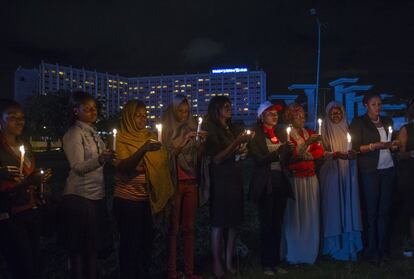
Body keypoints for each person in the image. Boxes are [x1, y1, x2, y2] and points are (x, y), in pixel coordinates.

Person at [113, 100, 174, 279]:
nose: (142, 119)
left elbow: (160, 163)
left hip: (146, 201)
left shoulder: (150, 136)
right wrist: (143, 151)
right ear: (129, 117)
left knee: (146, 246)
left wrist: (148, 161)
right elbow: (123, 167)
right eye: (138, 115)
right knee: (130, 247)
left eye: (145, 115)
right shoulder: (121, 138)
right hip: (127, 202)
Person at [59, 91, 115, 279]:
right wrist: (100, 159)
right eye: (87, 108)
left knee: (92, 248)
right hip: (80, 196)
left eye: (94, 108)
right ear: (76, 111)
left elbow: (98, 162)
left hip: (96, 195)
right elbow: (77, 167)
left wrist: (107, 157)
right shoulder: (74, 133)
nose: (93, 112)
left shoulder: (93, 132)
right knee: (78, 249)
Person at [0, 99, 51, 279]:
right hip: (10, 216)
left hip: (31, 210)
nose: (20, 121)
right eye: (13, 117)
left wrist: (40, 183)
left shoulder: (25, 146)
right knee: (22, 267)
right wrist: (26, 182)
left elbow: (28, 175)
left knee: (36, 262)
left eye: (21, 117)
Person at [204, 96, 253, 278]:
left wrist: (242, 150)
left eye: (230, 106)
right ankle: (217, 263)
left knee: (233, 222)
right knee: (219, 222)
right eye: (225, 106)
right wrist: (236, 143)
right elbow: (216, 158)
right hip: (220, 180)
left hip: (234, 178)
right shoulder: (212, 131)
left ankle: (228, 260)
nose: (229, 109)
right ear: (216, 109)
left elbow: (233, 152)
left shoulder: (231, 128)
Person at [349, 93, 399, 262]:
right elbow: (355, 147)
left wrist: (395, 145)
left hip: (388, 170)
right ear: (366, 105)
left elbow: (393, 140)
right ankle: (370, 250)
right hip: (371, 171)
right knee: (371, 212)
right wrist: (373, 146)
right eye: (373, 104)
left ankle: (382, 249)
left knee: (384, 212)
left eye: (379, 104)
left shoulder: (387, 121)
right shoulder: (359, 122)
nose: (378, 107)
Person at [162, 95, 206, 279]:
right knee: (173, 228)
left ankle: (189, 271)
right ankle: (171, 271)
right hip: (175, 183)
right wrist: (185, 140)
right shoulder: (166, 130)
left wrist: (201, 143)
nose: (183, 114)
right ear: (173, 110)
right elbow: (168, 154)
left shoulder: (192, 127)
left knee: (189, 227)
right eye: (180, 110)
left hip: (191, 181)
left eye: (186, 111)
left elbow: (197, 157)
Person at [248, 101, 293, 275]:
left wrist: (287, 152)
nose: (274, 115)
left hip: (279, 181)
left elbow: (284, 161)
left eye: (275, 113)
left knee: (277, 223)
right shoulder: (256, 135)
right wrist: (278, 151)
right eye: (270, 113)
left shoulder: (280, 133)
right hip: (265, 184)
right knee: (266, 223)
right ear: (261, 117)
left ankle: (276, 261)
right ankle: (266, 264)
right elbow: (259, 160)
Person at [319, 101, 363, 261]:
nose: (335, 116)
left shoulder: (348, 127)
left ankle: (349, 243)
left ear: (343, 113)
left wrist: (352, 154)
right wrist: (335, 155)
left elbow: (354, 147)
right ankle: (334, 245)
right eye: (332, 113)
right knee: (334, 206)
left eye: (338, 113)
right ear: (327, 114)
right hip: (331, 171)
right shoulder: (324, 129)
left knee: (348, 204)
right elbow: (321, 151)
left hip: (347, 170)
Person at [281, 103, 324, 264]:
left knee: (310, 215)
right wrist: (306, 147)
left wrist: (307, 154)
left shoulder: (310, 132)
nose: (301, 118)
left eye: (303, 116)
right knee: (295, 217)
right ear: (290, 117)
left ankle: (309, 252)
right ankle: (294, 253)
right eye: (298, 116)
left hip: (311, 178)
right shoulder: (288, 135)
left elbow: (319, 150)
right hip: (295, 180)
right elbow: (292, 155)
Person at [397, 98, 414, 256]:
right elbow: (400, 155)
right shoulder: (406, 129)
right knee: (410, 209)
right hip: (410, 174)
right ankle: (409, 244)